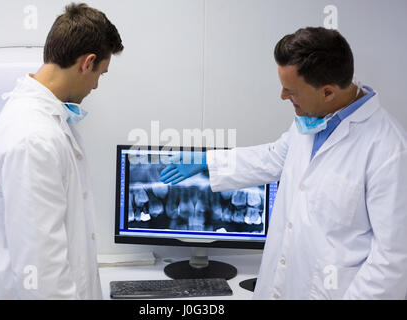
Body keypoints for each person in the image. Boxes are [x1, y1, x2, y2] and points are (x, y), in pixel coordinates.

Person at [160, 27, 407, 299]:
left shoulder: (389, 151)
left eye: (291, 92)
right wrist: (207, 161)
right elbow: (276, 156)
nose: (282, 96)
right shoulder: (315, 118)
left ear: (327, 92)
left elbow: (393, 260)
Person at [0, 3, 123, 299]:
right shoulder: (33, 138)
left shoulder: (45, 121)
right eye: (101, 74)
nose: (96, 85)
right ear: (88, 62)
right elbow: (43, 276)